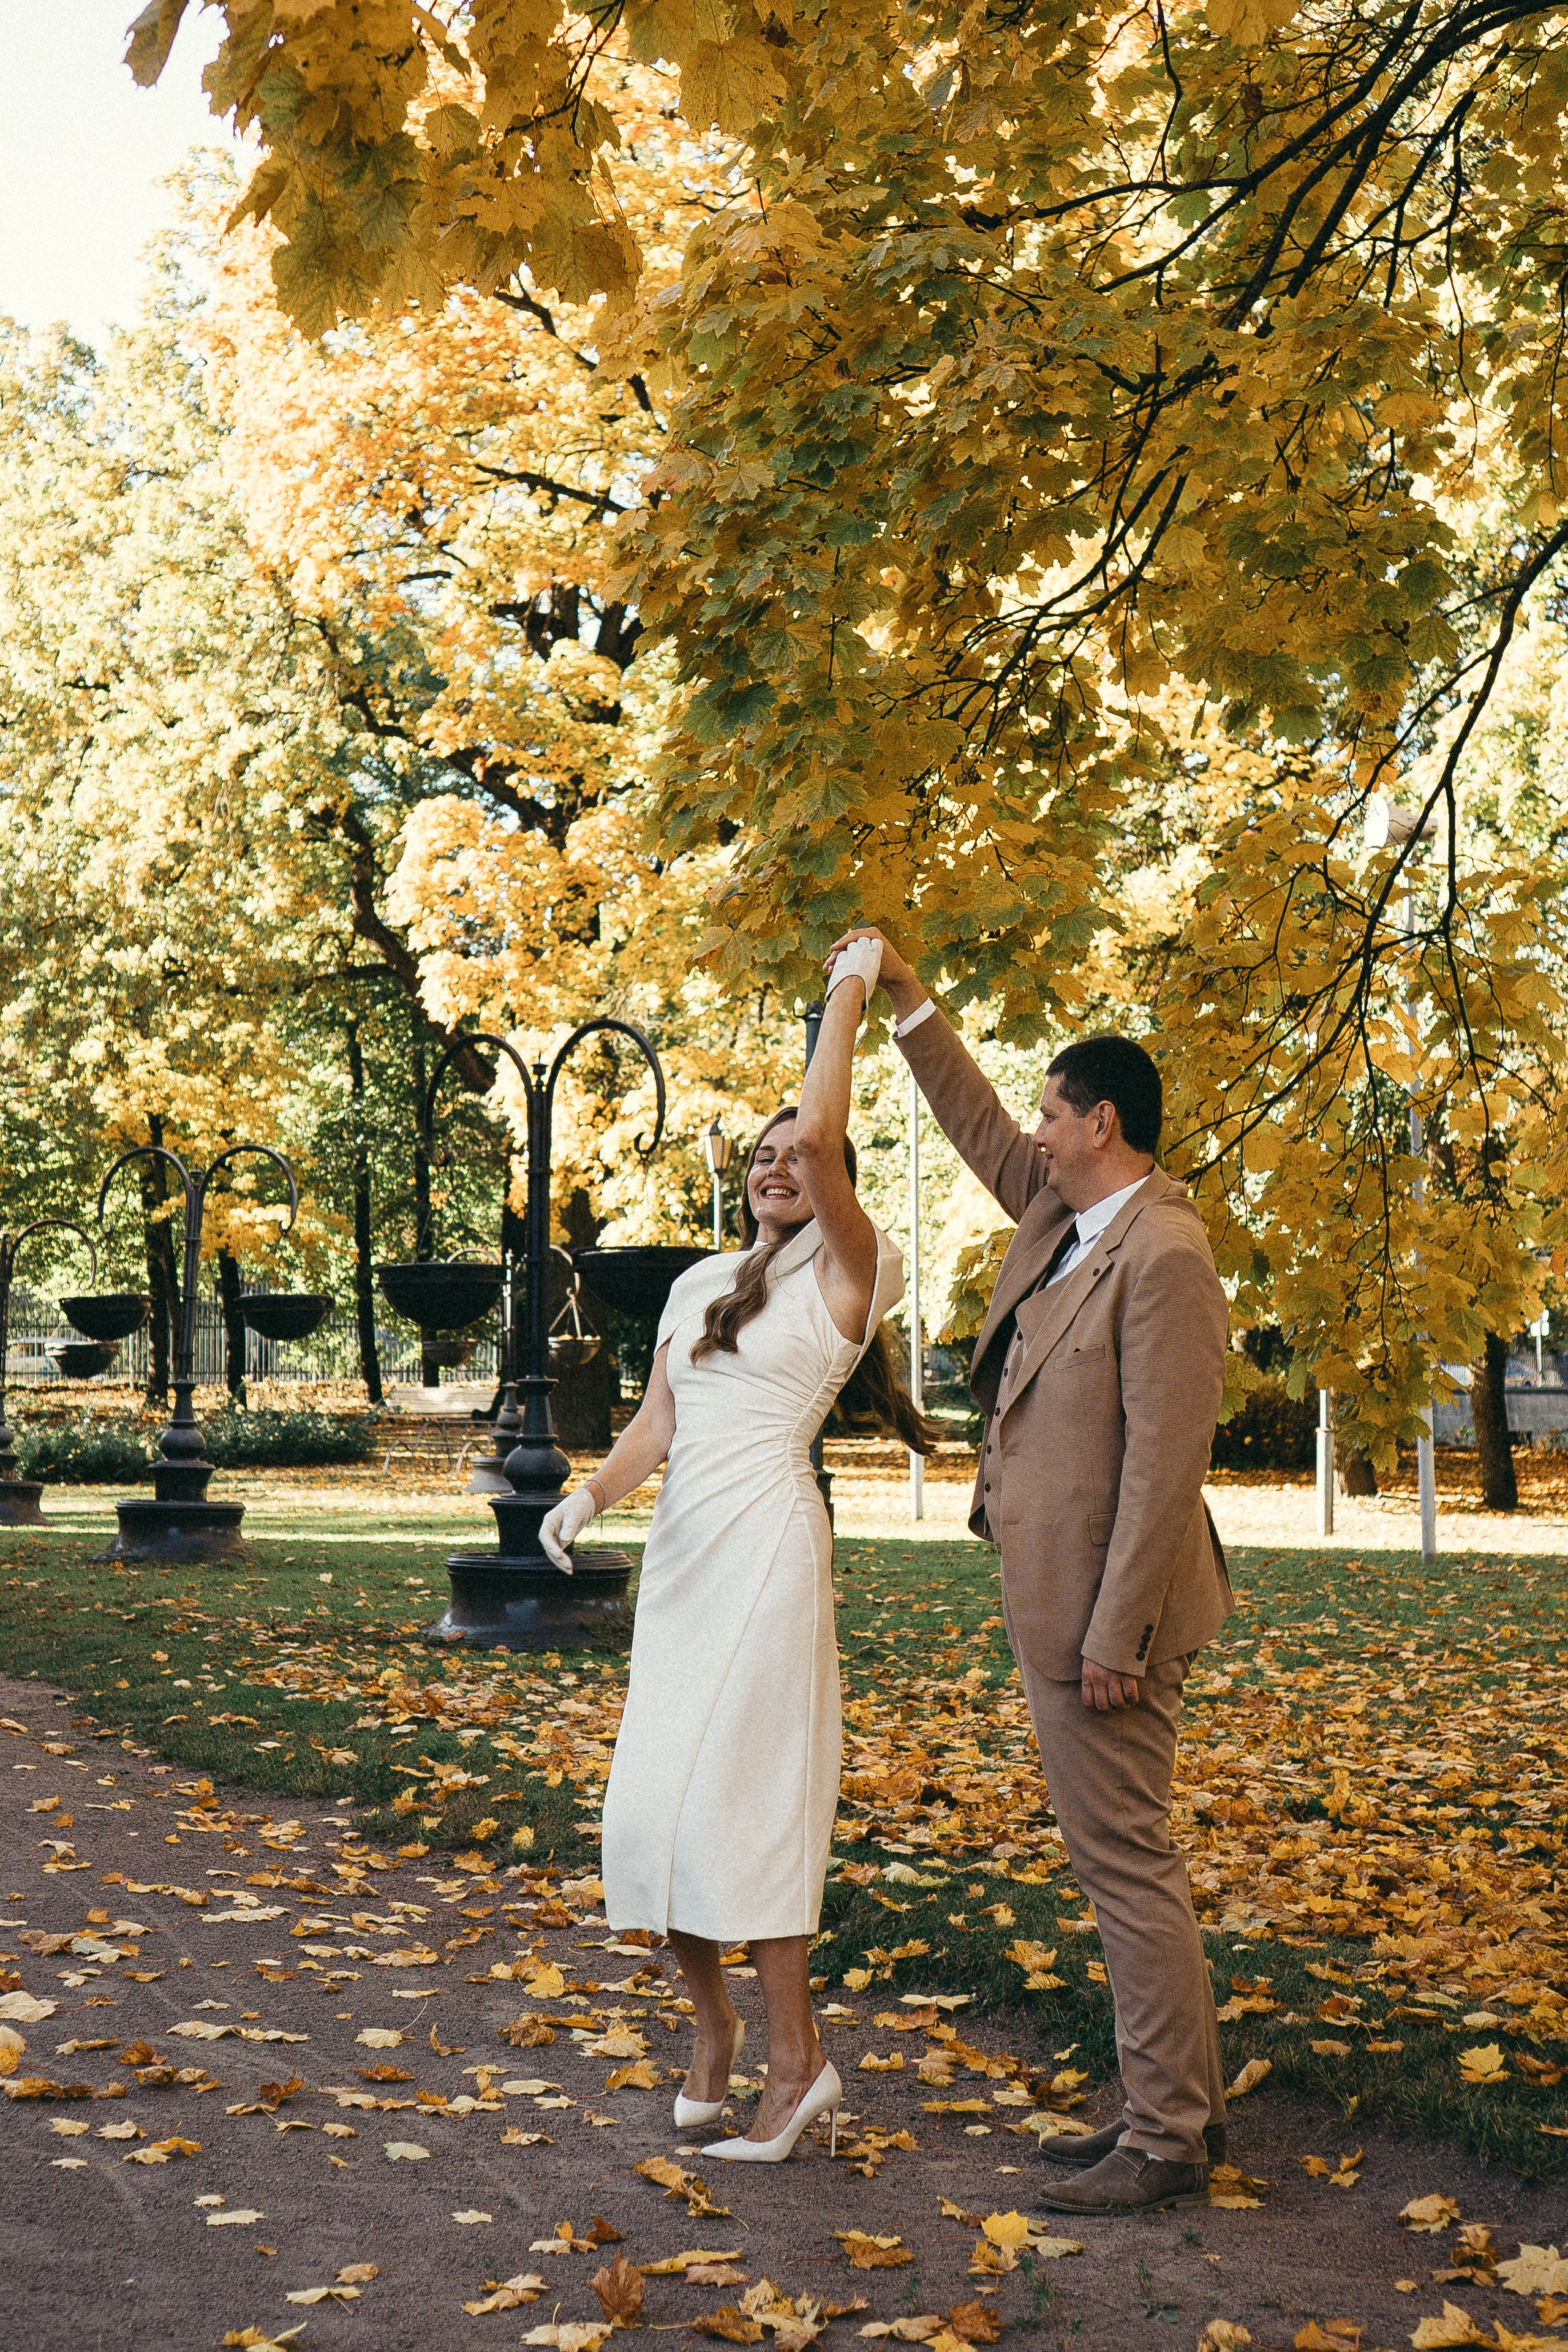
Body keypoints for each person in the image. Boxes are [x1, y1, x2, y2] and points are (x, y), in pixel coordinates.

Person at [824, 927, 1231, 2217]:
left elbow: (1164, 1467)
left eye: (1054, 1116)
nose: (1035, 1136)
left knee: (1125, 1864)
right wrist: (902, 994)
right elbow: (974, 1124)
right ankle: (1178, 2109)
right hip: (1060, 1598)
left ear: (1102, 1123)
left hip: (1108, 1622)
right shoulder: (1068, 1212)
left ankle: (1164, 2137)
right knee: (1121, 1859)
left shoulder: (1164, 1253)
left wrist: (1117, 1635)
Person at [538, 936, 930, 2163]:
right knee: (656, 1809)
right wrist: (586, 1499)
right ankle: (713, 2034)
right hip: (684, 1562)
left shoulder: (856, 1272)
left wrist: (851, 988)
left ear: (829, 1176)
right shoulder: (700, 1280)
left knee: (745, 1808)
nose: (775, 1163)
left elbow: (821, 1135)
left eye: (794, 1154)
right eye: (759, 1155)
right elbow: (657, 1422)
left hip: (768, 1549)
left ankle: (797, 2064)